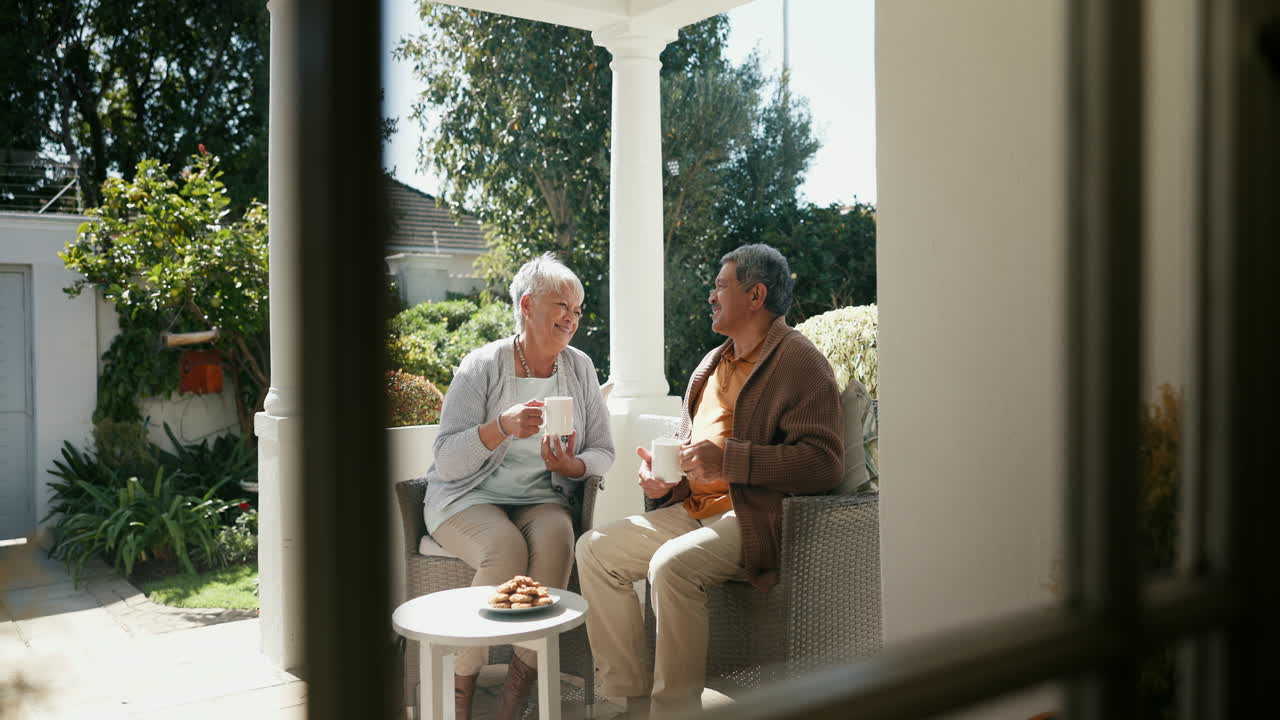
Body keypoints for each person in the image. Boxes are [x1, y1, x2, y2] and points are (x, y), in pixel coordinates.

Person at [576, 244, 844, 718]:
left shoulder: (800, 362)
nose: (710, 297)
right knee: (594, 550)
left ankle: (673, 712)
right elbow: (692, 456)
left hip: (756, 516)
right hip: (695, 512)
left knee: (671, 567)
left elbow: (824, 464)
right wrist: (664, 484)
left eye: (721, 286)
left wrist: (731, 463)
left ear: (756, 295)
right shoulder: (711, 365)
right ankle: (631, 699)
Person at [423, 253, 614, 720]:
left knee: (557, 538)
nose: (571, 317)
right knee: (505, 550)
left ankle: (516, 689)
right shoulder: (482, 365)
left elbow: (604, 451)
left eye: (577, 308)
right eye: (560, 305)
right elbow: (446, 459)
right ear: (527, 305)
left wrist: (573, 466)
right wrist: (500, 428)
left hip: (541, 496)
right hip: (468, 496)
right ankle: (461, 690)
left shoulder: (580, 367)